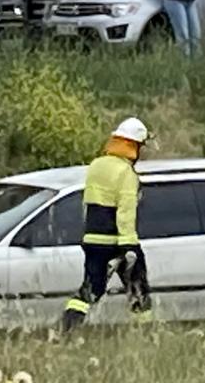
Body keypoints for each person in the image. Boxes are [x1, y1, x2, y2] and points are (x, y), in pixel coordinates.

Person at [61, 117, 153, 332]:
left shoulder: (96, 165)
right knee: (138, 289)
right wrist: (129, 247)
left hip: (93, 240)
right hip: (117, 241)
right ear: (134, 146)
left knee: (90, 290)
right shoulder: (126, 172)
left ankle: (66, 329)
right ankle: (145, 334)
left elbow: (87, 203)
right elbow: (125, 212)